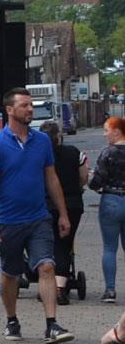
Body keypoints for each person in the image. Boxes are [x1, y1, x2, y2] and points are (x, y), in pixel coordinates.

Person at [0, 87, 74, 344]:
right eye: (24, 105)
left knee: (47, 266)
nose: (30, 110)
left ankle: (52, 325)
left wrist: (63, 214)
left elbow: (51, 179)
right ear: (10, 110)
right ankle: (12, 320)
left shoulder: (42, 141)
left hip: (38, 218)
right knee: (11, 274)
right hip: (8, 220)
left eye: (31, 105)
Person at [41, 120, 88, 305]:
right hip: (72, 203)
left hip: (45, 205)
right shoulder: (74, 152)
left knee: (46, 245)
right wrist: (77, 187)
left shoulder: (39, 155)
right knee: (64, 244)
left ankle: (50, 285)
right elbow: (83, 177)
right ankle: (59, 286)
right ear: (59, 135)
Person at [88, 116, 125, 304]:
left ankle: (110, 290)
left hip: (111, 200)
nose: (104, 135)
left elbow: (96, 182)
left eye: (106, 130)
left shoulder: (107, 153)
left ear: (117, 131)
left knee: (110, 248)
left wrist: (92, 180)